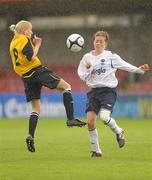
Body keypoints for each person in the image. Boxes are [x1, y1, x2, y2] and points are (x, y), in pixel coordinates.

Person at [9, 20, 86, 153]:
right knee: (66, 87)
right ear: (24, 31)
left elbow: (22, 57)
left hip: (26, 77)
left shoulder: (13, 43)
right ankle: (70, 119)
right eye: (30, 30)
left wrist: (32, 43)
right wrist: (38, 44)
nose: (31, 32)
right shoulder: (24, 39)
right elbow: (30, 57)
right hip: (37, 71)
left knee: (36, 108)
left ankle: (31, 135)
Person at [77, 30, 149, 157]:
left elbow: (125, 65)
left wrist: (139, 70)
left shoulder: (111, 56)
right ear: (93, 42)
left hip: (108, 91)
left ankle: (119, 131)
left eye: (101, 41)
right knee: (90, 121)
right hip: (93, 92)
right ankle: (96, 151)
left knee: (104, 117)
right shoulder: (86, 57)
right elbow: (82, 76)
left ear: (106, 43)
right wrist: (89, 70)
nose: (98, 43)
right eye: (96, 41)